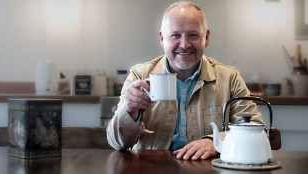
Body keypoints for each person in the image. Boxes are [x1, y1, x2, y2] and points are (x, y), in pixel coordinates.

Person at [106, 1, 264, 160]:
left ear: (206, 37)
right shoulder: (139, 75)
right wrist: (130, 110)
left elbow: (257, 130)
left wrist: (216, 141)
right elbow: (117, 143)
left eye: (193, 35)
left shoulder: (230, 78)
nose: (184, 44)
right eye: (175, 35)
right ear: (162, 38)